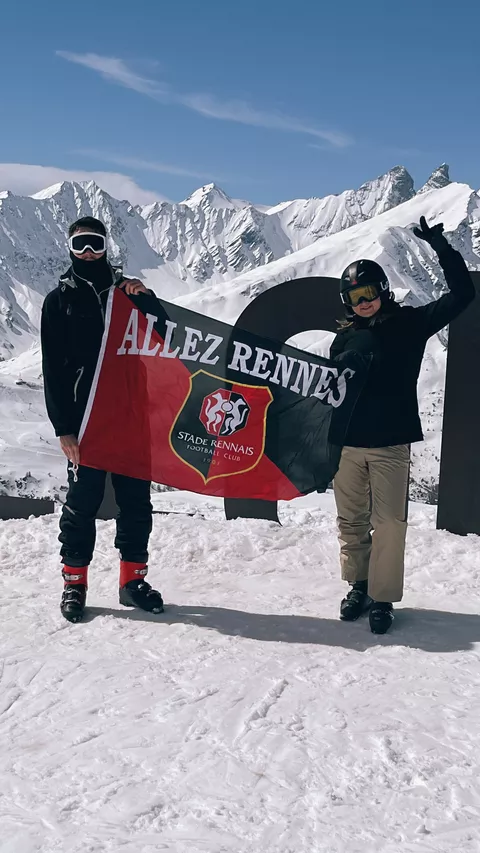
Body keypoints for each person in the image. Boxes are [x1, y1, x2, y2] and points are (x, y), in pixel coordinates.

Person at [330, 216, 475, 634]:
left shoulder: (410, 323)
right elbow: (329, 390)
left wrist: (442, 249)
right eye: (354, 295)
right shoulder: (344, 339)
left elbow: (463, 294)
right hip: (347, 444)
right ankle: (359, 586)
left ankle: (382, 597)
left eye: (369, 291)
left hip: (391, 444)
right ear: (347, 301)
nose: (363, 301)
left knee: (390, 523)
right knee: (352, 521)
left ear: (382, 291)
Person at [41, 216, 164, 623]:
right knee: (81, 504)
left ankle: (133, 582)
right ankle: (74, 584)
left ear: (107, 245)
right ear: (70, 248)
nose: (88, 252)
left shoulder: (127, 293)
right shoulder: (58, 301)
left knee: (135, 503)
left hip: (131, 416)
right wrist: (64, 427)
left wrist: (145, 298)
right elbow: (54, 370)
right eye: (81, 245)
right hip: (86, 420)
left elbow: (164, 337)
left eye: (95, 243)